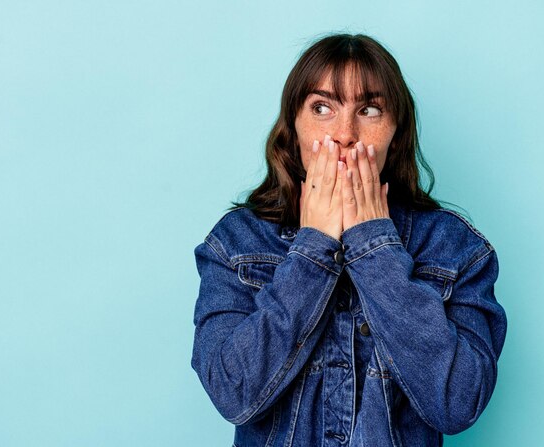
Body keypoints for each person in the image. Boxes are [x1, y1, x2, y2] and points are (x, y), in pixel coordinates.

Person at [190, 33, 507, 446]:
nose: (345, 134)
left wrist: (373, 245)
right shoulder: (235, 242)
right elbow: (232, 395)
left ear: (396, 133)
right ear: (294, 128)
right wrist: (314, 246)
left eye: (370, 109)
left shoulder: (456, 248)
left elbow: (457, 404)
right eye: (322, 107)